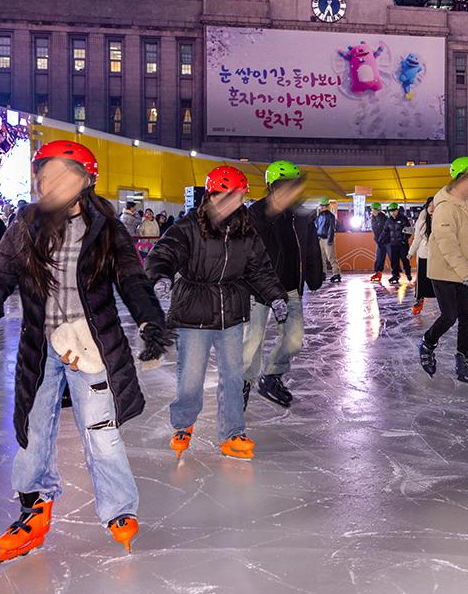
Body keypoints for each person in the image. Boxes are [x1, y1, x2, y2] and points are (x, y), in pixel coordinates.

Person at [0, 140, 170, 562]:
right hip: (40, 348)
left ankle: (119, 509)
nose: (51, 183)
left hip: (92, 347)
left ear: (85, 181)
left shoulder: (108, 229)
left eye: (63, 174)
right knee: (33, 431)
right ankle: (34, 506)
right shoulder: (25, 224)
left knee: (101, 433)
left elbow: (133, 281)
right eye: (46, 174)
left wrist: (150, 321)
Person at [145, 166, 287, 460]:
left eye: (237, 197)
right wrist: (161, 275)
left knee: (234, 377)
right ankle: (184, 424)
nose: (231, 203)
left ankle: (232, 433)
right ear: (211, 195)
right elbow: (166, 252)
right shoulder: (188, 227)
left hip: (232, 312)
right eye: (225, 197)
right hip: (193, 311)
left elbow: (259, 269)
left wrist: (276, 297)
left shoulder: (246, 232)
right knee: (191, 379)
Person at [243, 160, 324, 408]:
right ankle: (243, 381)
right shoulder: (255, 214)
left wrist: (314, 274)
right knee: (252, 341)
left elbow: (311, 248)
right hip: (258, 290)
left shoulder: (302, 216)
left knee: (293, 339)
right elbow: (244, 251)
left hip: (290, 288)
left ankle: (272, 376)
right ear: (271, 186)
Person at [418, 156, 468, 384]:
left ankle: (463, 361)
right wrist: (465, 270)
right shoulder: (445, 206)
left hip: (466, 270)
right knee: (450, 316)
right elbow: (446, 242)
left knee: (467, 316)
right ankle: (428, 342)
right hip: (444, 271)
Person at [407, 196, 435, 315]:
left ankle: (444, 300)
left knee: (438, 281)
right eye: (430, 205)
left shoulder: (443, 220)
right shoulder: (421, 221)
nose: (432, 208)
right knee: (422, 280)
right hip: (424, 254)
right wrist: (411, 252)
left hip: (437, 256)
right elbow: (417, 239)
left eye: (434, 206)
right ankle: (419, 299)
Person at [314, 197, 342, 283]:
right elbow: (317, 226)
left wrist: (330, 240)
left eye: (323, 205)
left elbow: (331, 228)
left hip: (327, 238)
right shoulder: (320, 216)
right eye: (321, 205)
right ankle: (323, 273)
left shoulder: (330, 216)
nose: (322, 207)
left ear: (327, 206)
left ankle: (336, 273)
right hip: (321, 238)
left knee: (331, 257)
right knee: (321, 257)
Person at [385, 203, 412, 285]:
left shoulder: (404, 219)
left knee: (405, 259)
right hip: (393, 245)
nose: (393, 212)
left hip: (403, 244)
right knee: (394, 261)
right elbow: (385, 231)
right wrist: (381, 240)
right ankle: (395, 275)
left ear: (398, 210)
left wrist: (404, 240)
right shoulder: (388, 220)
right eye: (391, 211)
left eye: (394, 210)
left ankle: (408, 273)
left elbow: (409, 231)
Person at [368, 202, 388, 282]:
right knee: (379, 257)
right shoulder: (373, 217)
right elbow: (376, 231)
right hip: (380, 241)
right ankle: (378, 273)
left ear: (378, 210)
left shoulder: (383, 218)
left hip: (386, 240)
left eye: (373, 210)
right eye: (372, 210)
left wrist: (381, 239)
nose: (372, 211)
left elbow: (385, 231)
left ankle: (395, 274)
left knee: (392, 257)